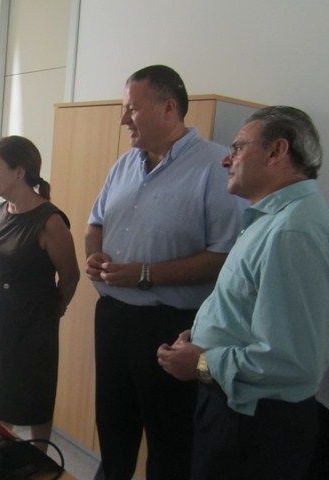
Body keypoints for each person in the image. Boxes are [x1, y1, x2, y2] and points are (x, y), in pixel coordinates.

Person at [85, 65, 245, 480]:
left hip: (171, 327)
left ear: (168, 108)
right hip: (114, 318)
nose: (123, 119)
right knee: (113, 429)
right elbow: (95, 222)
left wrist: (146, 274)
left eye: (132, 108)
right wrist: (94, 255)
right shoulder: (124, 164)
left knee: (170, 443)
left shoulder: (216, 166)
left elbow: (224, 258)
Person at [157, 106, 329, 480]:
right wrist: (202, 339)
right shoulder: (272, 219)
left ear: (276, 151)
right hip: (239, 410)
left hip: (255, 423)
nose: (225, 159)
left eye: (237, 148)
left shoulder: (291, 231)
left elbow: (292, 361)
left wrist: (201, 362)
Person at [0, 135, 79, 448]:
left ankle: (39, 457)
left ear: (19, 172)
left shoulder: (50, 221)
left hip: (34, 321)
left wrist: (56, 308)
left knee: (35, 391)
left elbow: (70, 276)